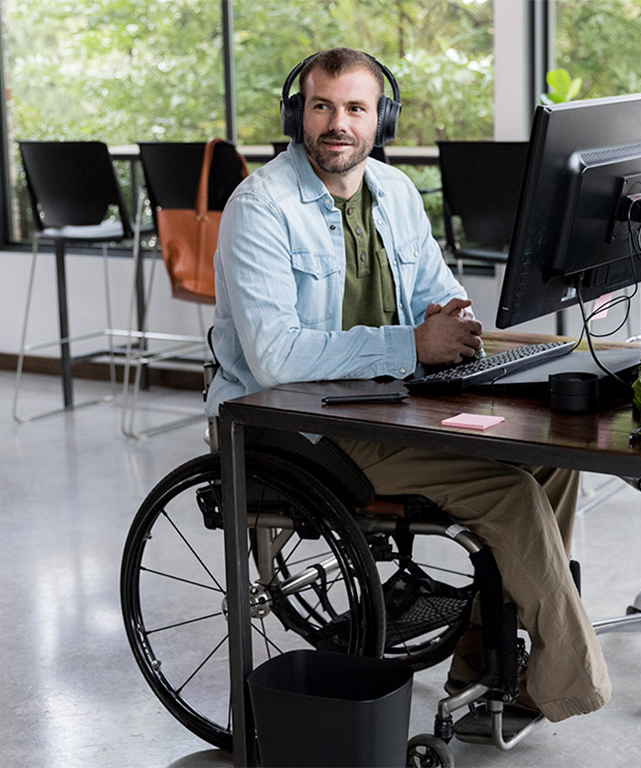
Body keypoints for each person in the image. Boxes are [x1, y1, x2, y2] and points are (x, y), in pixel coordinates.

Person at [206, 47, 611, 723]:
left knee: (552, 460)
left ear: (381, 120)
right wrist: (409, 344)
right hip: (300, 424)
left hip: (389, 407)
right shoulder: (261, 208)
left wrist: (452, 319)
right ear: (297, 115)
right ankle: (570, 681)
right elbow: (274, 358)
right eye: (322, 106)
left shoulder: (392, 193)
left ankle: (484, 662)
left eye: (356, 108)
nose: (339, 123)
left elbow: (437, 290)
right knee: (504, 489)